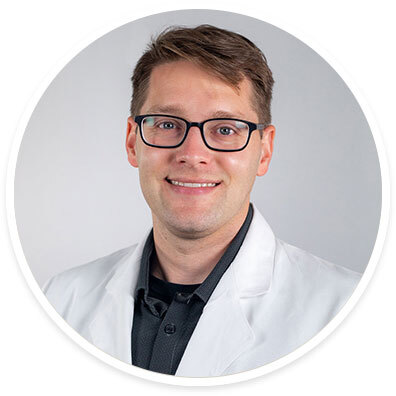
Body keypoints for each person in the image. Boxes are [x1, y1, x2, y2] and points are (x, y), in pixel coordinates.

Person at [43, 25, 361, 377]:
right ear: (133, 142)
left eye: (225, 129)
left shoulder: (351, 312)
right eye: (166, 124)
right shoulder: (59, 301)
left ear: (264, 150)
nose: (193, 154)